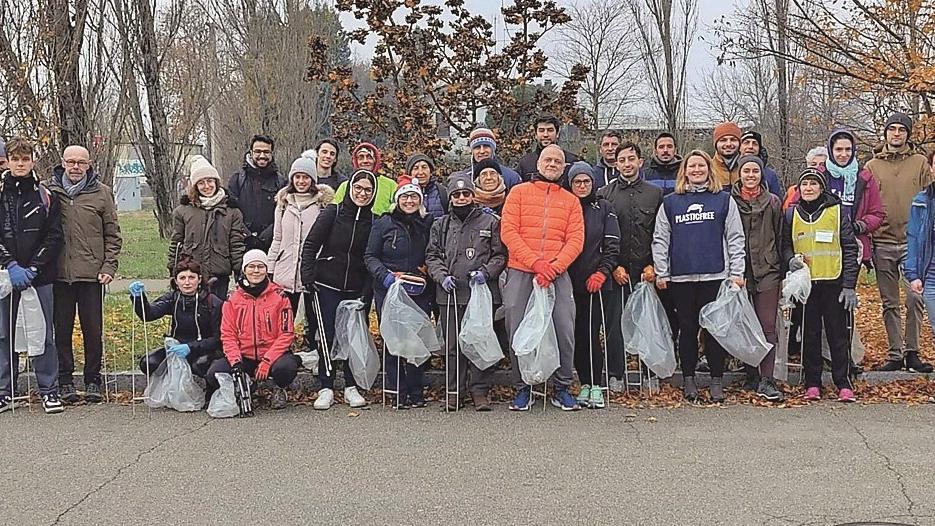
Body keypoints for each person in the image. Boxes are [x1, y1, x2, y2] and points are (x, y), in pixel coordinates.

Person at [652, 150, 746, 402]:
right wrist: (662, 271)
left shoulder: (724, 200)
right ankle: (689, 379)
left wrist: (737, 272)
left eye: (700, 166)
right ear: (684, 171)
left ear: (708, 169)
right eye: (691, 166)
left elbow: (735, 237)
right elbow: (661, 239)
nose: (696, 170)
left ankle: (716, 380)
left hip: (715, 275)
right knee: (687, 329)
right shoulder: (671, 202)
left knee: (714, 332)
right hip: (681, 278)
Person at [501, 145, 585, 411]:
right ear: (538, 164)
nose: (552, 164)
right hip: (522, 270)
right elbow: (509, 232)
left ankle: (562, 387)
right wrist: (535, 263)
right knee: (517, 327)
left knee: (564, 328)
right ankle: (523, 386)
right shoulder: (518, 193)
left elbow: (576, 240)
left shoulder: (571, 201)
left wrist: (555, 267)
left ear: (563, 167)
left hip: (557, 274)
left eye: (558, 161)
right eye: (548, 159)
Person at [425, 174, 507, 411]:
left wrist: (486, 272)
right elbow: (432, 256)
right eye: (457, 194)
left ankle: (480, 391)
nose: (461, 198)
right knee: (453, 346)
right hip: (450, 295)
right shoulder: (440, 225)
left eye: (466, 193)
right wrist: (441, 277)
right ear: (451, 198)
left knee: (479, 341)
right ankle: (454, 391)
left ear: (473, 195)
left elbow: (500, 255)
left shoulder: (490, 222)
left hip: (480, 294)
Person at [49, 145, 123, 404]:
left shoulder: (102, 193)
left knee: (93, 330)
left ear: (89, 164)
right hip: (59, 275)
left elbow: (113, 235)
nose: (76, 167)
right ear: (62, 163)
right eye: (71, 162)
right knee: (62, 330)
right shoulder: (49, 191)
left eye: (81, 162)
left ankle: (93, 380)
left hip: (92, 275)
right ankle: (65, 381)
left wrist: (108, 267)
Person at [300, 170, 377, 410]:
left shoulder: (374, 221)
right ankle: (326, 386)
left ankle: (351, 386)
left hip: (356, 288)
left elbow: (371, 258)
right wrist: (307, 277)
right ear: (350, 188)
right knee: (327, 336)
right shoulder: (332, 213)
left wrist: (366, 293)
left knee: (353, 338)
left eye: (368, 190)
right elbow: (310, 245)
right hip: (326, 285)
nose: (362, 193)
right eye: (358, 188)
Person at [781, 169, 859, 402]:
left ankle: (843, 383)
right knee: (809, 336)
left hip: (833, 282)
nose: (809, 188)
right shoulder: (791, 214)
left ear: (821, 188)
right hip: (805, 287)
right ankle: (812, 382)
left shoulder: (837, 211)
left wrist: (849, 285)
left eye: (813, 184)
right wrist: (790, 260)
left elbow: (850, 248)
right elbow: (785, 245)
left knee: (838, 335)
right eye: (804, 184)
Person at [0, 137, 65, 414]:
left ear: (33, 161)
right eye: (15, 159)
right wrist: (10, 264)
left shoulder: (46, 195)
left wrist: (35, 267)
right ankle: (5, 391)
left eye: (25, 159)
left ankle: (49, 391)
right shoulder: (1, 194)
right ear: (8, 161)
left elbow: (54, 236)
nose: (20, 164)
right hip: (7, 277)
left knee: (44, 334)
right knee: (5, 336)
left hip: (39, 278)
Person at [866, 112, 934, 372]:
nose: (896, 133)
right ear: (885, 133)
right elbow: (866, 203)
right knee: (889, 303)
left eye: (901, 129)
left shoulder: (919, 163)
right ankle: (895, 354)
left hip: (913, 244)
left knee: (915, 298)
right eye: (892, 129)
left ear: (908, 134)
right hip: (882, 242)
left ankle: (912, 352)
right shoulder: (872, 166)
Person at [597, 142, 665, 390]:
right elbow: (600, 234)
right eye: (622, 160)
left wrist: (654, 265)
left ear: (640, 162)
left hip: (646, 271)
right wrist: (612, 266)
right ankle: (616, 373)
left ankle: (650, 373)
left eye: (631, 159)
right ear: (615, 164)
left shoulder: (655, 194)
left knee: (648, 324)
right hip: (617, 271)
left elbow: (661, 232)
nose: (627, 164)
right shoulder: (604, 194)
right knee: (615, 325)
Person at [365, 182, 435, 409]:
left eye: (414, 197)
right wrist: (384, 275)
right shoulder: (384, 223)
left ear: (420, 201)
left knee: (415, 339)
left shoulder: (427, 224)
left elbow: (434, 252)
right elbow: (370, 256)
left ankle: (416, 390)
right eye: (405, 197)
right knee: (393, 339)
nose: (409, 201)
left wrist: (427, 269)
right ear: (397, 200)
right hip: (388, 289)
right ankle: (395, 389)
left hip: (417, 289)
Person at [206, 250, 298, 410]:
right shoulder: (233, 299)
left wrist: (267, 361)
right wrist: (235, 362)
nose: (256, 271)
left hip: (272, 355)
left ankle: (279, 388)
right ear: (244, 270)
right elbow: (228, 334)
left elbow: (286, 334)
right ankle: (248, 385)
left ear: (266, 270)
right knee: (213, 373)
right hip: (244, 355)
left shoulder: (280, 297)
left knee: (286, 368)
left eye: (260, 266)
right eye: (251, 266)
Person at [730, 155, 784, 401]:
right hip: (739, 271)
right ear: (739, 174)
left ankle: (767, 378)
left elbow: (780, 235)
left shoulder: (773, 202)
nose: (750, 175)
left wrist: (782, 267)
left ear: (762, 174)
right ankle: (751, 373)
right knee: (745, 324)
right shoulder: (730, 201)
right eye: (746, 171)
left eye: (755, 171)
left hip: (767, 269)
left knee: (767, 325)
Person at [566, 162, 619, 409]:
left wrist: (602, 272)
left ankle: (596, 384)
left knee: (591, 334)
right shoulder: (566, 206)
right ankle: (584, 383)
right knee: (576, 335)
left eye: (586, 181)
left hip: (596, 283)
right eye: (577, 182)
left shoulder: (604, 208)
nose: (582, 186)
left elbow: (612, 244)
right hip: (568, 281)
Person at [268, 156, 334, 352]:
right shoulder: (283, 204)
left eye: (306, 177)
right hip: (286, 268)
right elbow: (277, 238)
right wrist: (271, 267)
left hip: (313, 269)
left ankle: (313, 348)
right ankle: (283, 349)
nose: (301, 181)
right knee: (285, 314)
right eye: (297, 177)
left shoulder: (322, 205)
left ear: (312, 179)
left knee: (313, 315)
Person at [128, 258, 223, 388]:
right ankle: (167, 388)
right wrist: (139, 298)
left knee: (200, 364)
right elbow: (148, 314)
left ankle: (209, 390)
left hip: (204, 349)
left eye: (191, 278)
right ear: (176, 281)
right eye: (182, 278)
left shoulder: (213, 302)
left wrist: (190, 347)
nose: (187, 282)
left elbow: (217, 339)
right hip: (176, 348)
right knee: (149, 362)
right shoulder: (173, 298)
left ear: (199, 279)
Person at [168, 156, 245, 300]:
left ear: (216, 182)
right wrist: (173, 269)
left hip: (219, 275)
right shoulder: (183, 211)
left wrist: (240, 272)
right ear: (195, 186)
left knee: (217, 311)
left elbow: (236, 245)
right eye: (201, 183)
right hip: (191, 274)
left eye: (210, 181)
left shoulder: (232, 212)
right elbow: (176, 243)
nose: (207, 186)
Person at [228, 135, 287, 251]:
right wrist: (248, 235)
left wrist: (266, 236)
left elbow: (284, 212)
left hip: (272, 245)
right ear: (251, 152)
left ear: (272, 153)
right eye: (258, 151)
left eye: (266, 152)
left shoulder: (280, 182)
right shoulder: (237, 179)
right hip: (243, 244)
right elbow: (232, 212)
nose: (262, 156)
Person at [333, 142, 396, 216]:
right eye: (361, 157)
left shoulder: (390, 185)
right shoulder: (345, 186)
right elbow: (335, 210)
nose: (365, 161)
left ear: (376, 160)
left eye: (369, 157)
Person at [450, 127, 521, 190]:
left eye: (486, 146)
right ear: (472, 151)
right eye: (477, 147)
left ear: (493, 149)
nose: (482, 151)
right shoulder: (464, 178)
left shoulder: (511, 177)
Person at [516, 115, 580, 181]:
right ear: (535, 134)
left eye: (550, 130)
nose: (545, 134)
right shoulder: (525, 164)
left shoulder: (572, 162)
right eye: (541, 130)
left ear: (557, 133)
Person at [738, 130, 784, 197]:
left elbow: (777, 200)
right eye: (746, 143)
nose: (750, 146)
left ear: (759, 148)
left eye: (755, 144)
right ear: (739, 147)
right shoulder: (731, 171)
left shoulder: (770, 175)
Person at [404, 154, 448, 220]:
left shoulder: (443, 192)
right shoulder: (402, 194)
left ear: (430, 171)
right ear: (409, 172)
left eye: (424, 167)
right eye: (416, 168)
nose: (420, 172)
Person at [710, 121, 744, 189]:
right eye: (723, 140)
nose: (728, 144)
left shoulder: (748, 168)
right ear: (716, 144)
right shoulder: (709, 169)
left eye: (733, 140)